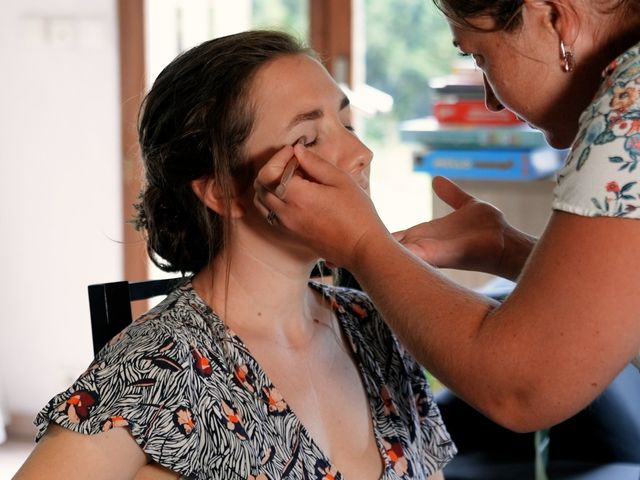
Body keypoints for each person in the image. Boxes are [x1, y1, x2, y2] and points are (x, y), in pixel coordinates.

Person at [14, 31, 455, 480]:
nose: (361, 153)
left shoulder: (376, 325)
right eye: (308, 139)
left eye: (348, 126)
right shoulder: (157, 369)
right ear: (221, 191)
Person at [253, 0, 640, 433]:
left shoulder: (628, 111)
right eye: (308, 138)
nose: (490, 101)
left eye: (481, 57)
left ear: (553, 16)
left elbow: (520, 386)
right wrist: (507, 251)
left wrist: (365, 246)